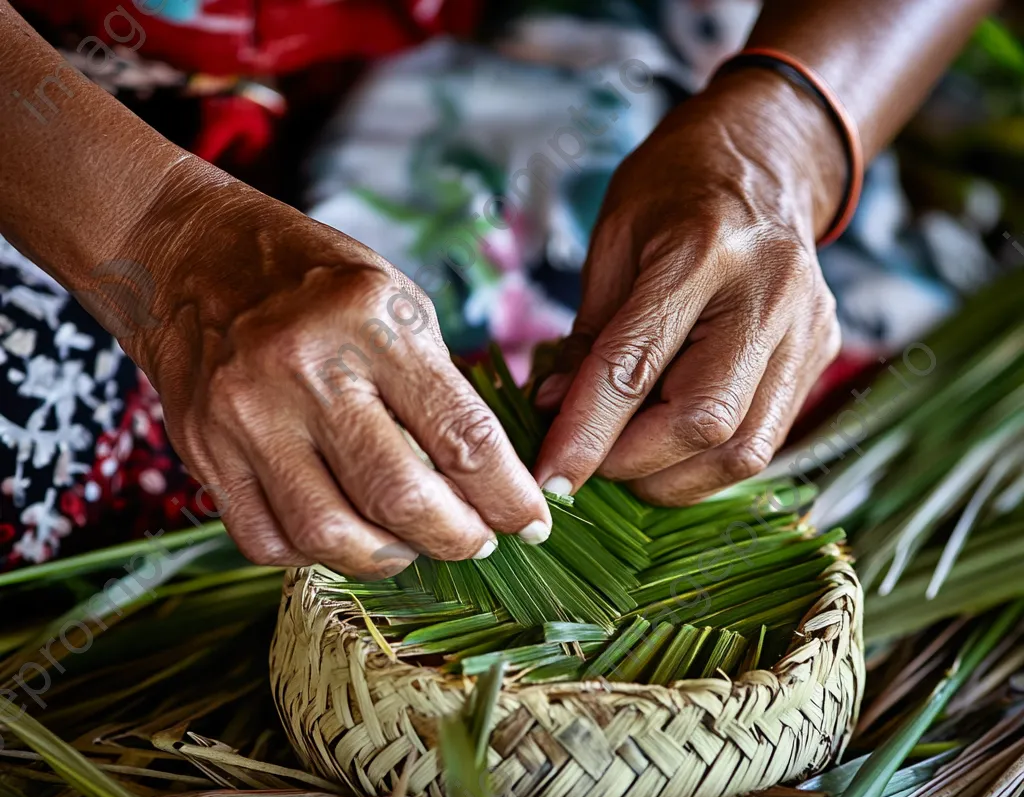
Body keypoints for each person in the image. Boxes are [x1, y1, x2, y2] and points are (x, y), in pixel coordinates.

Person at [0, 0, 1001, 575]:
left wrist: (787, 133)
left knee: (713, 323)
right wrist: (159, 239)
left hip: (529, 31)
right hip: (62, 105)